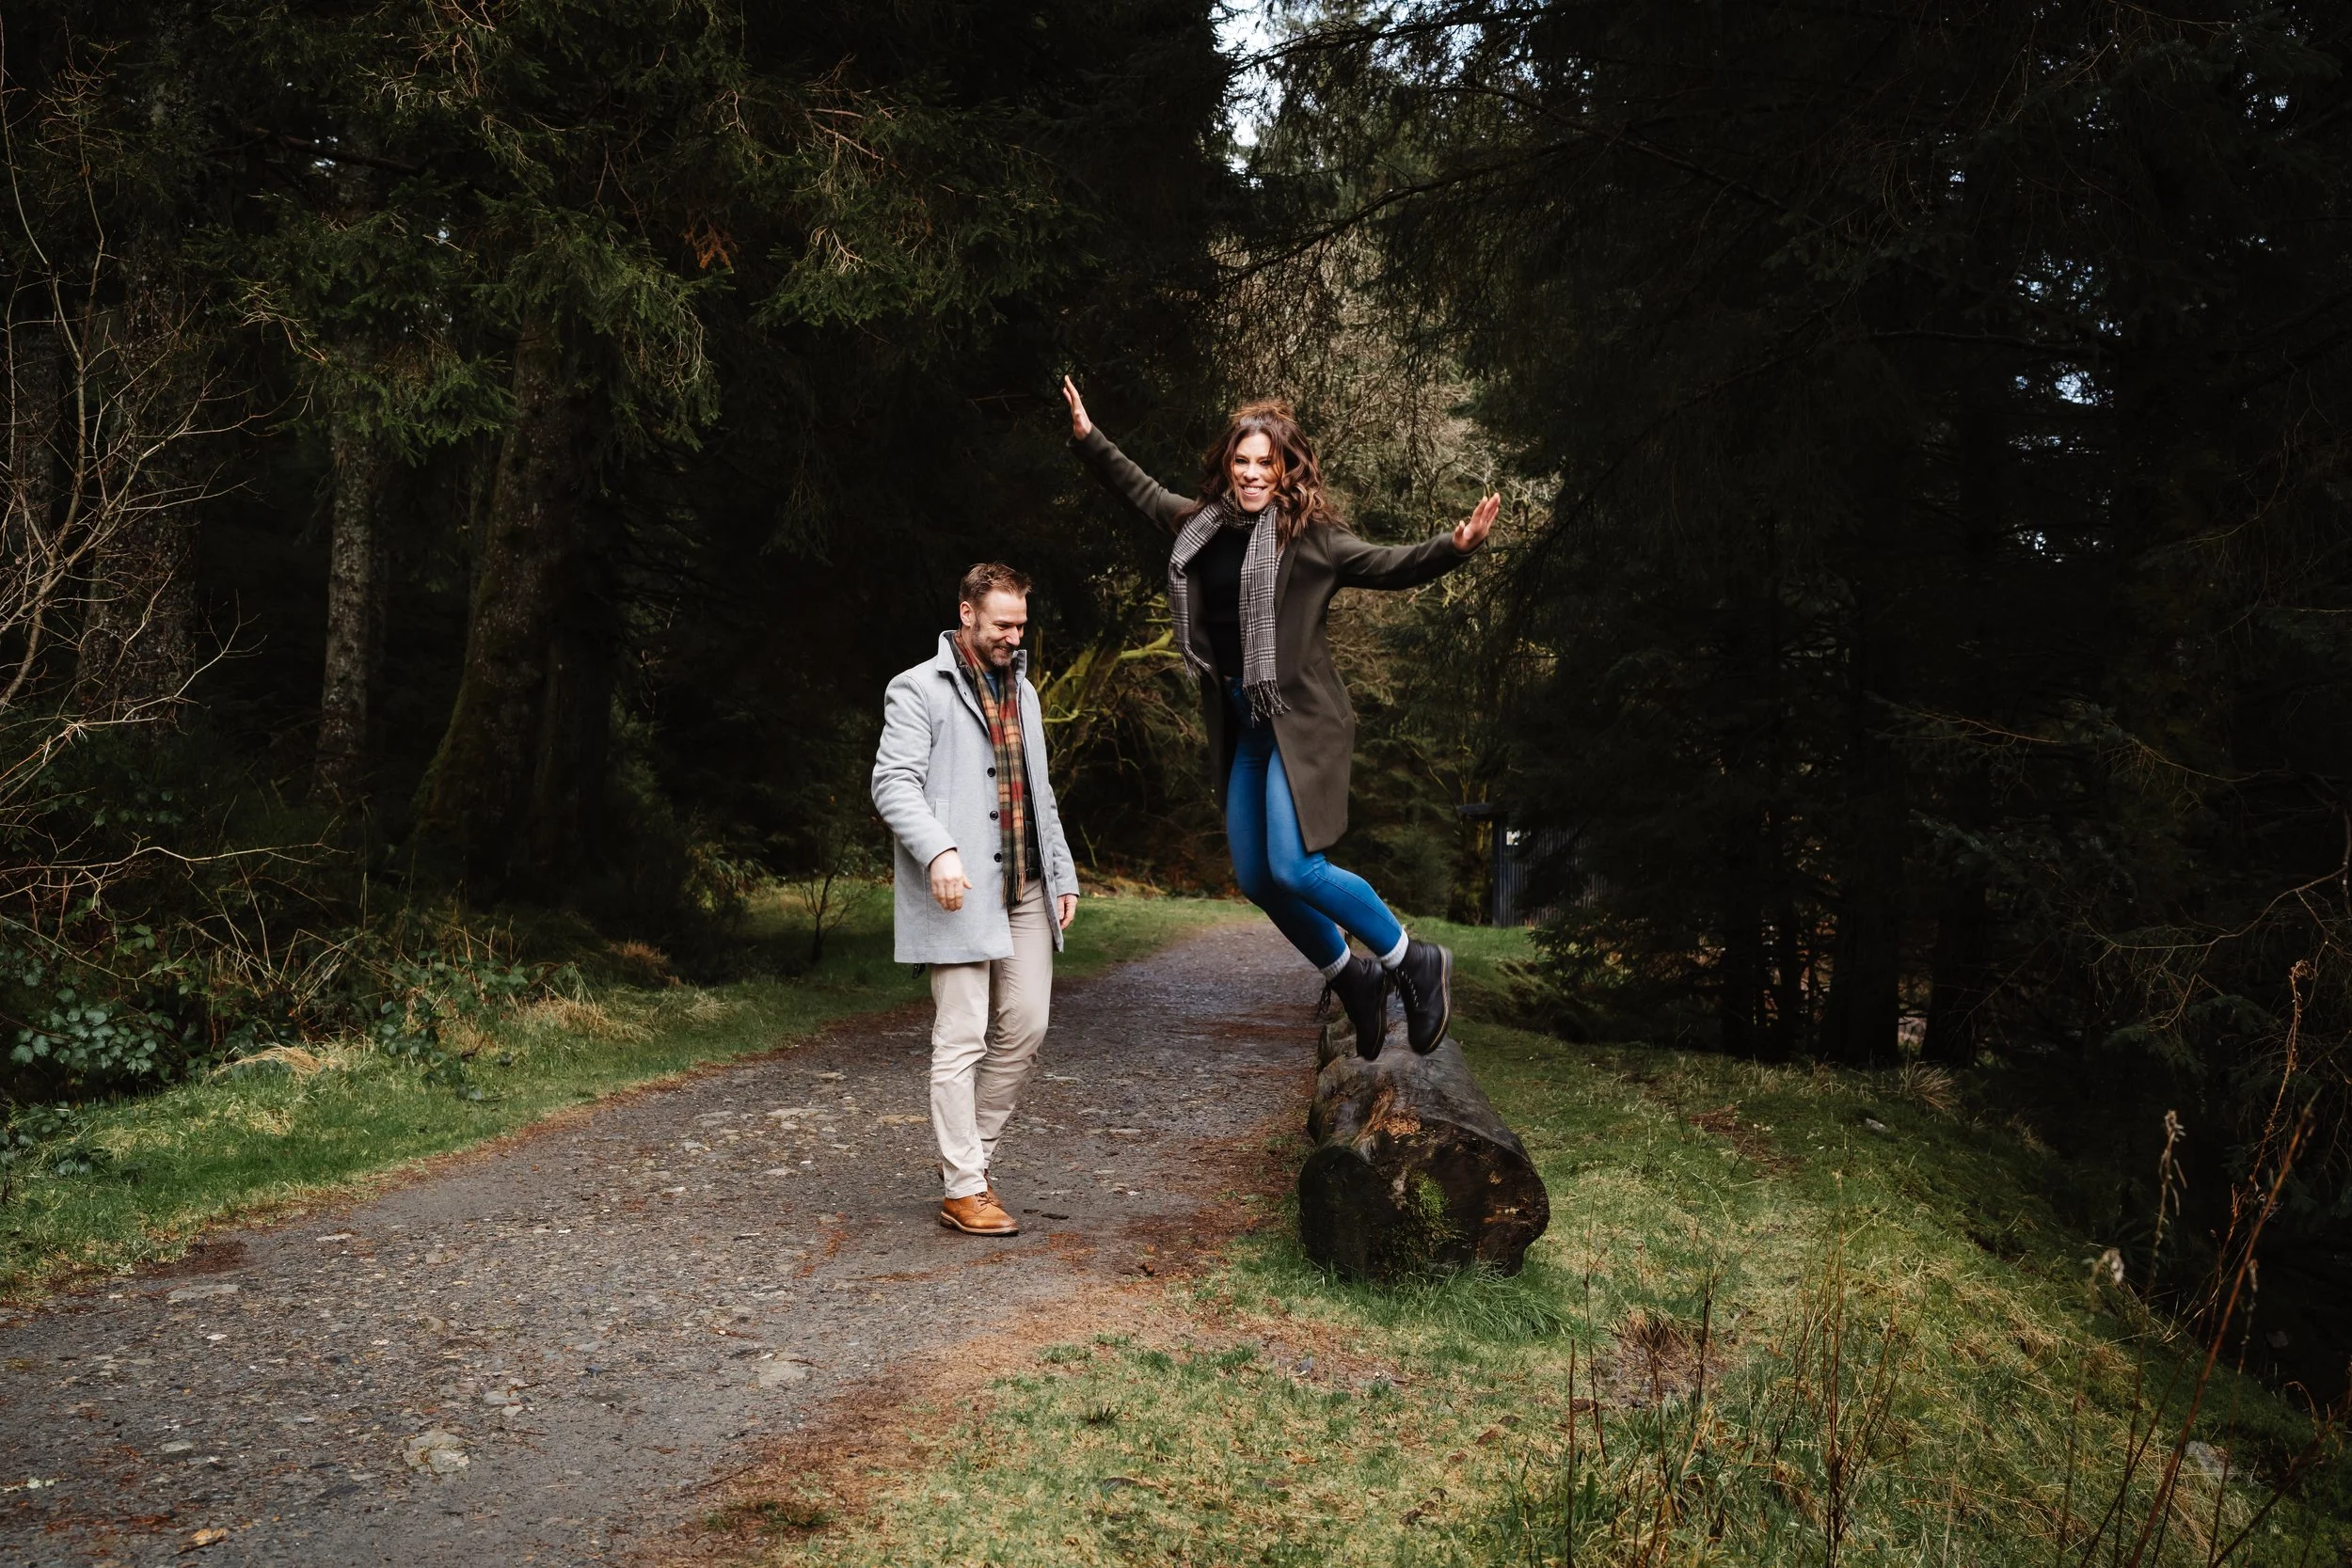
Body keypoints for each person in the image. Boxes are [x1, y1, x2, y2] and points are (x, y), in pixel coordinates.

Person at [1063, 380, 1498, 1060]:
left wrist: (1456, 544)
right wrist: (1091, 439)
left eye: (1267, 463)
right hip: (1247, 725)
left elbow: (1389, 564)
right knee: (1257, 877)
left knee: (1296, 868)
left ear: (1287, 468)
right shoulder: (1199, 527)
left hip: (1305, 722)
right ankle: (1349, 976)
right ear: (1227, 466)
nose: (1253, 473)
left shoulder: (1313, 539)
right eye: (1243, 461)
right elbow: (1140, 489)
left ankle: (1413, 960)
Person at [871, 562, 1081, 1237]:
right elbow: (892, 784)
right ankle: (964, 1186)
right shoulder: (914, 689)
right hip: (957, 891)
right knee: (959, 1036)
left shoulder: (1026, 691)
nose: (1014, 638)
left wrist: (1063, 873)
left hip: (1025, 888)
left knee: (1027, 1024)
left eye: (1021, 625)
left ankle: (972, 1151)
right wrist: (939, 850)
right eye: (1001, 625)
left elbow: (1039, 791)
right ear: (966, 614)